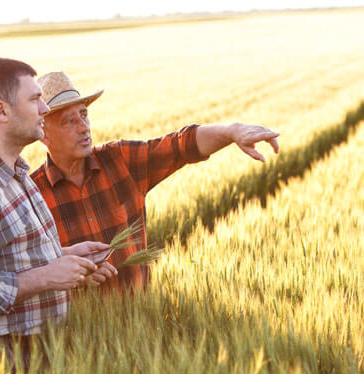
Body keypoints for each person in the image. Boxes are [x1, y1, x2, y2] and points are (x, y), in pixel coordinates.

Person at [0, 59, 117, 374]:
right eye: (35, 99)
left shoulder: (16, 172)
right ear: (2, 111)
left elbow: (11, 258)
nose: (45, 109)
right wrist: (47, 277)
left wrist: (67, 261)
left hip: (37, 355)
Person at [31, 71, 280, 292]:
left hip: (142, 319)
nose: (84, 127)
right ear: (43, 134)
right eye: (69, 121)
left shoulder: (120, 160)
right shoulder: (32, 195)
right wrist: (74, 278)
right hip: (77, 335)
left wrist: (232, 131)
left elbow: (181, 145)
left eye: (84, 115)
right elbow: (26, 268)